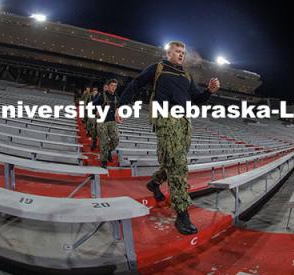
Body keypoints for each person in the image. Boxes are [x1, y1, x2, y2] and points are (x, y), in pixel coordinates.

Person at [116, 41, 220, 235]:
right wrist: (121, 105)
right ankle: (182, 214)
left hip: (185, 122)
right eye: (177, 51)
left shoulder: (186, 75)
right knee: (178, 165)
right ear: (168, 53)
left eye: (183, 52)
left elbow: (197, 100)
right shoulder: (158, 68)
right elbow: (136, 84)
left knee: (173, 161)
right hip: (165, 118)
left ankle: (154, 183)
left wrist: (209, 92)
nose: (181, 54)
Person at [93, 79, 120, 168]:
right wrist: (96, 111)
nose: (113, 87)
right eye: (112, 85)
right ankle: (103, 161)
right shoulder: (102, 95)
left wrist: (118, 114)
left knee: (116, 139)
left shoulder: (116, 97)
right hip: (102, 121)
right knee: (103, 141)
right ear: (108, 86)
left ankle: (108, 150)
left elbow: (117, 108)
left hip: (112, 121)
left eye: (115, 86)